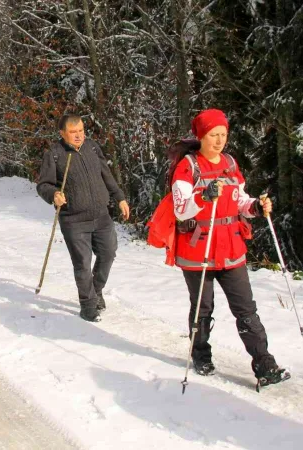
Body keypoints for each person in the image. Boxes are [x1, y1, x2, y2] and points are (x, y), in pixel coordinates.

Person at [150, 108, 285, 385]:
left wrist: (256, 208)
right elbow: (182, 209)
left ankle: (265, 365)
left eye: (223, 134)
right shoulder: (188, 167)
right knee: (203, 307)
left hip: (231, 248)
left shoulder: (231, 164)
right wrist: (204, 195)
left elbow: (240, 202)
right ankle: (201, 354)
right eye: (214, 134)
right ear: (201, 136)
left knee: (246, 309)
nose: (219, 140)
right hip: (197, 248)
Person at [36, 114, 130, 322]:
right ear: (62, 134)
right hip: (74, 219)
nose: (78, 135)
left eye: (81, 130)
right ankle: (88, 305)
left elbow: (106, 175)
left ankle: (96, 290)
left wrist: (120, 198)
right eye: (73, 132)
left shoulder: (92, 147)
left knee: (108, 253)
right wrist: (53, 195)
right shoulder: (54, 154)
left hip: (101, 215)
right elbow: (44, 184)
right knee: (82, 263)